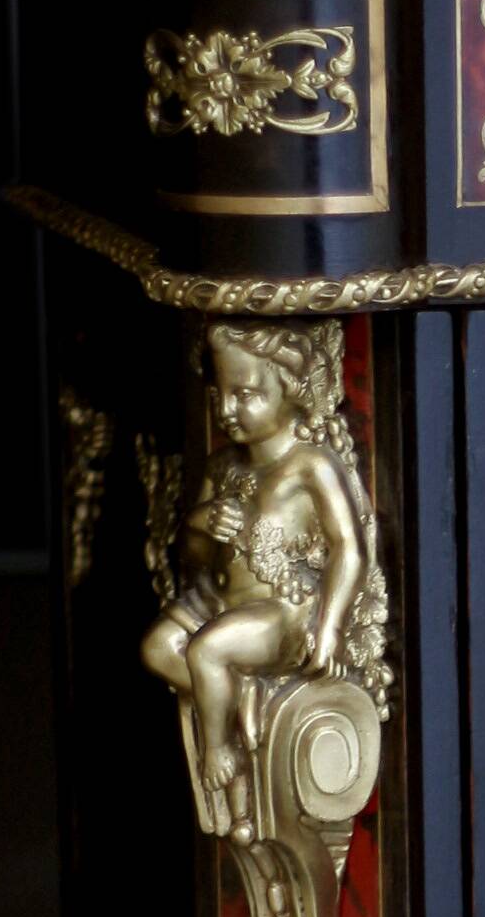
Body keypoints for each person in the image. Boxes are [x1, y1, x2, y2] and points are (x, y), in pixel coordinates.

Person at [141, 325, 368, 830]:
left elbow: (349, 548)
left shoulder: (308, 467)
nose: (227, 409)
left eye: (246, 394)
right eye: (219, 394)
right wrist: (203, 522)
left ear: (290, 390)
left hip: (281, 610)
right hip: (218, 601)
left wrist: (329, 626)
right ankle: (243, 695)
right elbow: (194, 554)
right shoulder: (223, 467)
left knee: (207, 652)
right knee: (158, 648)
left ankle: (220, 749)